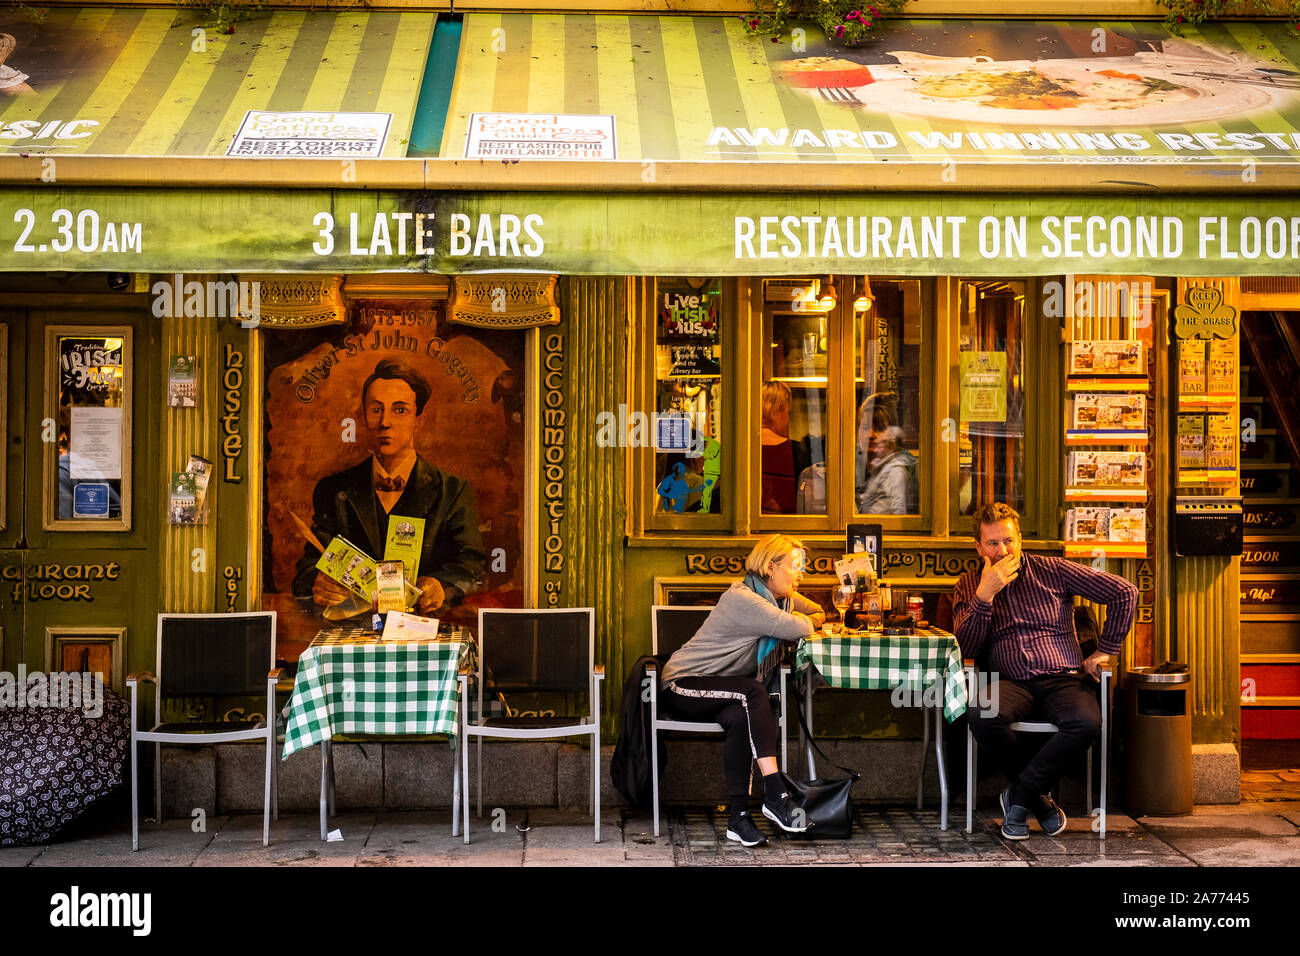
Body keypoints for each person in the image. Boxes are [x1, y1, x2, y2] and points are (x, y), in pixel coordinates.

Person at [953, 502, 1137, 840]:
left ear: (1020, 539)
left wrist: (1105, 650)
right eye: (992, 543)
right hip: (1008, 682)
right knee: (981, 714)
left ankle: (1019, 797)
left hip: (1062, 678)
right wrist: (985, 595)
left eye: (1008, 540)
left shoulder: (1053, 569)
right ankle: (1040, 802)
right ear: (978, 547)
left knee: (1086, 723)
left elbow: (1124, 593)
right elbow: (966, 650)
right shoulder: (969, 585)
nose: (1002, 550)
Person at [658, 534, 826, 846]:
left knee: (740, 715)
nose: (801, 573)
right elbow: (798, 627)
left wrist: (805, 617)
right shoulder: (744, 599)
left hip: (722, 690)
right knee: (753, 692)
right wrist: (805, 620)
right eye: (795, 566)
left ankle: (738, 817)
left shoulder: (781, 598)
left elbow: (817, 611)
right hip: (681, 685)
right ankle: (776, 795)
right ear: (771, 568)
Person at [292, 358, 487, 615]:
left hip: (425, 630)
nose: (385, 422)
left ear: (420, 419)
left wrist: (443, 586)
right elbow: (309, 567)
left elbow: (472, 566)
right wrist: (317, 583)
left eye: (400, 410)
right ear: (364, 417)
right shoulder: (332, 489)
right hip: (353, 632)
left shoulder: (453, 490)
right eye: (376, 410)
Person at [855, 395, 918, 515]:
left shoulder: (911, 467)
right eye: (865, 428)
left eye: (879, 429)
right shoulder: (847, 464)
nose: (871, 434)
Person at [760, 381, 810, 514]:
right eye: (788, 413)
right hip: (790, 529)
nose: (788, 420)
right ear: (777, 410)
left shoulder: (741, 451)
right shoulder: (798, 451)